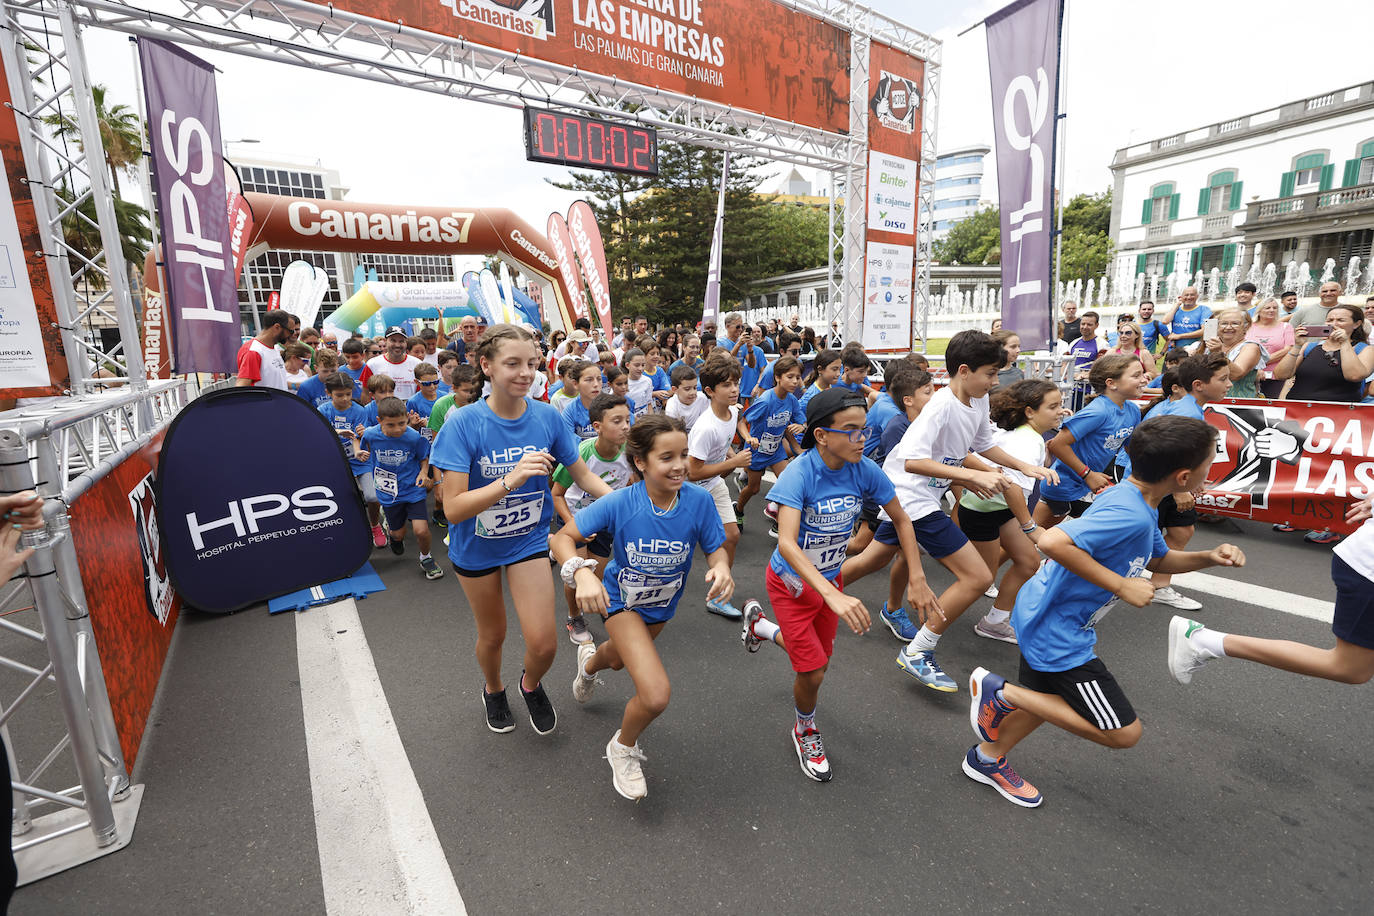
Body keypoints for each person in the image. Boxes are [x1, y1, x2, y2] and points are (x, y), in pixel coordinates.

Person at [963, 415, 1243, 808]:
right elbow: (1056, 542)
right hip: (1057, 631)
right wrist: (1120, 585)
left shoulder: (1138, 502)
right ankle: (1001, 692)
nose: (1212, 468)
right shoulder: (1127, 511)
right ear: (1183, 477)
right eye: (1210, 462)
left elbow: (1159, 560)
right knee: (1123, 733)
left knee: (1048, 699)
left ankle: (987, 758)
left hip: (1047, 614)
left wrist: (1208, 557)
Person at [843, 330, 1057, 691]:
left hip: (919, 495)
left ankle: (805, 593)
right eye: (989, 373)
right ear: (963, 370)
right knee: (976, 577)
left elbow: (984, 444)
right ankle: (918, 652)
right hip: (912, 497)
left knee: (872, 560)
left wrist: (1024, 468)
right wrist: (969, 474)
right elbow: (913, 461)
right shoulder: (941, 406)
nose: (994, 381)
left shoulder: (979, 400)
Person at [431, 324, 612, 735]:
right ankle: (494, 689)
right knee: (493, 635)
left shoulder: (547, 416)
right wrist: (509, 480)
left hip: (528, 541)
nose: (525, 373)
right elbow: (454, 508)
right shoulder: (463, 424)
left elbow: (583, 475)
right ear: (487, 366)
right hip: (476, 546)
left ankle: (530, 685)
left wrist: (630, 504)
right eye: (512, 363)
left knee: (545, 643)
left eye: (531, 363)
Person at [740, 388, 927, 782]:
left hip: (830, 581)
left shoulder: (865, 469)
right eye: (852, 430)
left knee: (814, 660)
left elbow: (903, 520)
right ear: (822, 435)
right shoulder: (800, 472)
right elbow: (788, 544)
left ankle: (760, 627)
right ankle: (805, 727)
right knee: (814, 671)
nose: (863, 438)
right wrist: (832, 594)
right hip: (791, 583)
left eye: (865, 429)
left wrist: (918, 579)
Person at [553, 415, 732, 800]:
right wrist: (582, 574)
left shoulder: (698, 501)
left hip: (662, 607)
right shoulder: (620, 502)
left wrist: (721, 569)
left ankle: (587, 665)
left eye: (684, 454)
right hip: (620, 603)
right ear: (641, 463)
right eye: (666, 457)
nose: (680, 465)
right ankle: (622, 747)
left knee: (616, 660)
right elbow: (562, 539)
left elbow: (716, 548)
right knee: (654, 694)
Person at [1166, 494, 1374, 689]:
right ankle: (1203, 641)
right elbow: (1157, 559)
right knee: (1350, 668)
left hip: (1362, 561)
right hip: (1367, 569)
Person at [959, 380, 1063, 645]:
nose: (1061, 411)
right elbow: (1012, 487)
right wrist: (1030, 527)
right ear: (1030, 411)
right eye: (1053, 406)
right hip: (983, 511)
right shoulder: (1029, 441)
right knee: (979, 580)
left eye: (1061, 405)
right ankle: (928, 630)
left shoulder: (1026, 434)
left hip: (1000, 509)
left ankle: (994, 622)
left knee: (1028, 563)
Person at [1137, 352, 1231, 611]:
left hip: (1166, 483)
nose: (1229, 384)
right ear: (1199, 385)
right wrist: (1180, 491)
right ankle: (1071, 567)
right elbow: (1165, 452)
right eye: (1223, 379)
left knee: (1181, 531)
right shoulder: (1184, 411)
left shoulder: (1191, 408)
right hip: (1156, 484)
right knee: (1130, 539)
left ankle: (1159, 585)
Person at [551, 393, 634, 647]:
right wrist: (570, 525)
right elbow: (556, 494)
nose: (625, 426)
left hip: (605, 522)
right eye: (617, 421)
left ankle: (555, 550)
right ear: (597, 426)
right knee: (578, 573)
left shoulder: (630, 452)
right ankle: (574, 617)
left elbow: (631, 481)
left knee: (596, 573)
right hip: (576, 518)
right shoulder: (582, 453)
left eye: (628, 420)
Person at [1035, 355, 1146, 527]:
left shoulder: (1132, 410)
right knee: (1028, 539)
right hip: (1064, 486)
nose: (1144, 379)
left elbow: (1134, 449)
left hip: (1090, 487)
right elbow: (1057, 444)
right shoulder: (1098, 411)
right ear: (1112, 383)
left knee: (1086, 543)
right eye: (1136, 375)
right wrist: (1088, 474)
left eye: (1143, 374)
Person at [871, 368, 935, 639]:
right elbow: (904, 465)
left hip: (917, 501)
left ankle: (816, 588)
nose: (935, 396)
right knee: (868, 553)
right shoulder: (900, 426)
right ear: (908, 400)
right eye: (928, 392)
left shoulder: (928, 424)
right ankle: (816, 587)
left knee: (872, 557)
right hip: (900, 500)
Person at [686, 355, 751, 618]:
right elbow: (692, 472)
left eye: (736, 383)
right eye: (727, 385)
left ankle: (719, 595)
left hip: (713, 485)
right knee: (675, 548)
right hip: (689, 491)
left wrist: (744, 440)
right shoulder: (705, 428)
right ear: (711, 391)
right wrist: (733, 462)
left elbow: (737, 424)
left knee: (732, 536)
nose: (734, 389)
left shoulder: (733, 411)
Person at [359, 397, 441, 580]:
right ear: (379, 421)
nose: (397, 429)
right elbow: (363, 448)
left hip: (412, 489)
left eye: (402, 423)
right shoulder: (371, 435)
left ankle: (426, 557)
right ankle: (394, 536)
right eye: (391, 425)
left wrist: (423, 473)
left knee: (421, 530)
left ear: (407, 419)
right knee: (398, 534)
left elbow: (424, 457)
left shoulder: (413, 436)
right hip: (388, 492)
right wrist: (361, 454)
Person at [734, 355, 805, 524]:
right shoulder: (765, 401)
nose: (795, 381)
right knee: (754, 488)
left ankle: (778, 521)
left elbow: (801, 420)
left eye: (797, 377)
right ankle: (738, 509)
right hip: (757, 451)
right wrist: (749, 437)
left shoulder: (792, 400)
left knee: (789, 484)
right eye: (790, 377)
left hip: (776, 450)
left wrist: (802, 426)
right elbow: (742, 423)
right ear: (777, 377)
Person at [318, 372, 382, 542]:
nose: (345, 399)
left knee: (372, 496)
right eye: (339, 395)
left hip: (359, 461)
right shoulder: (323, 410)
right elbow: (319, 432)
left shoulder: (359, 410)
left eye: (348, 394)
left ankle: (375, 525)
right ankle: (345, 528)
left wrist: (357, 452)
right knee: (340, 500)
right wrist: (338, 431)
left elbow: (356, 437)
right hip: (335, 463)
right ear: (328, 393)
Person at [1273, 304, 1374, 404]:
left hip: (1338, 414)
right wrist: (1297, 346)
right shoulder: (1308, 347)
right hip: (1298, 412)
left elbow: (1354, 376)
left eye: (1340, 320)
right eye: (1329, 320)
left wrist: (1344, 342)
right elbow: (1280, 375)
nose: (1333, 324)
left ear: (1356, 324)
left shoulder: (1365, 350)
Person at [1202, 307, 1265, 399]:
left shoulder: (1251, 347)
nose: (1228, 327)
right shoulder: (1210, 344)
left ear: (1246, 327)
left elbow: (1236, 375)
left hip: (1238, 404)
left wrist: (1218, 353)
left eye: (1235, 323)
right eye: (1224, 323)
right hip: (1209, 402)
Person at [1247, 298, 1296, 398]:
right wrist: (1255, 368)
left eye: (1275, 308)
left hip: (1275, 375)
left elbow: (1288, 349)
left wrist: (1259, 363)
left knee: (1271, 406)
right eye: (1267, 308)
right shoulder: (1248, 327)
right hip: (1249, 373)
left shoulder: (1286, 327)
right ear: (1259, 310)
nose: (1272, 310)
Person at [235, 309, 292, 389]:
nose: (292, 335)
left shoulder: (273, 348)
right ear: (277, 327)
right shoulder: (254, 351)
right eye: (291, 331)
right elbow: (242, 386)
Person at [367, 327, 424, 400]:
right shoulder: (372, 364)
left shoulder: (417, 364)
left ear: (406, 342)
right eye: (393, 341)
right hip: (381, 410)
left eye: (401, 341)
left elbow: (422, 393)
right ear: (385, 341)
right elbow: (366, 393)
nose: (397, 345)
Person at [561, 361, 605, 439]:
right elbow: (569, 443)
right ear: (575, 384)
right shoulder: (570, 412)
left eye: (599, 379)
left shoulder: (613, 406)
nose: (596, 384)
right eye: (589, 380)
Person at [664, 365, 707, 430]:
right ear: (675, 390)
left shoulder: (702, 398)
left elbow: (705, 422)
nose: (692, 392)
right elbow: (673, 430)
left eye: (695, 388)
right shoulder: (672, 405)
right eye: (687, 389)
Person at [621, 348, 655, 423]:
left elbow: (649, 404)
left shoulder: (647, 381)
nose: (640, 368)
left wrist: (652, 422)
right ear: (627, 365)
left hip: (643, 422)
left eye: (643, 365)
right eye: (636, 365)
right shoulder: (621, 382)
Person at [338, 339, 371, 404]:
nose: (351, 360)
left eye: (355, 357)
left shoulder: (368, 369)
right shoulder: (341, 371)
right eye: (347, 357)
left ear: (363, 355)